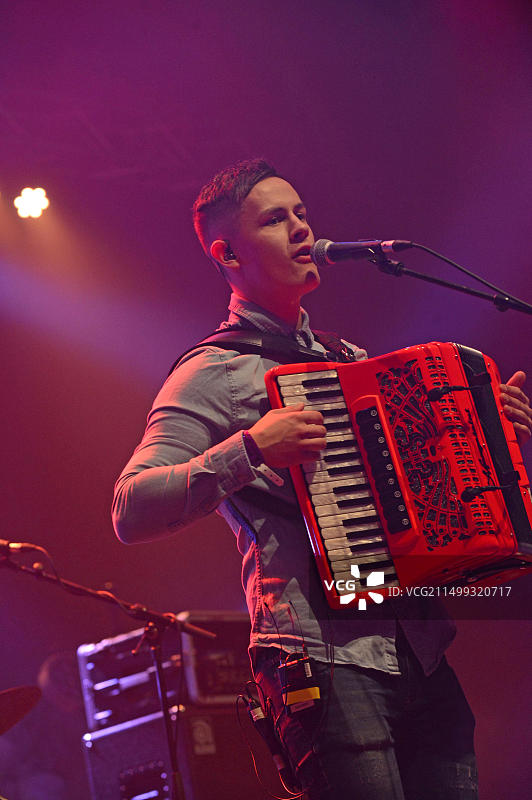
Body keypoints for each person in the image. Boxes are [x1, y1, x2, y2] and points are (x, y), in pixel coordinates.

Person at [112, 159, 532, 799]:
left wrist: (487, 428)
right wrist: (251, 447)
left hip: (416, 646)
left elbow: (418, 492)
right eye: (275, 220)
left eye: (301, 213)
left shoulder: (349, 361)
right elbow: (129, 507)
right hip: (323, 656)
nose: (301, 229)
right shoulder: (213, 371)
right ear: (228, 253)